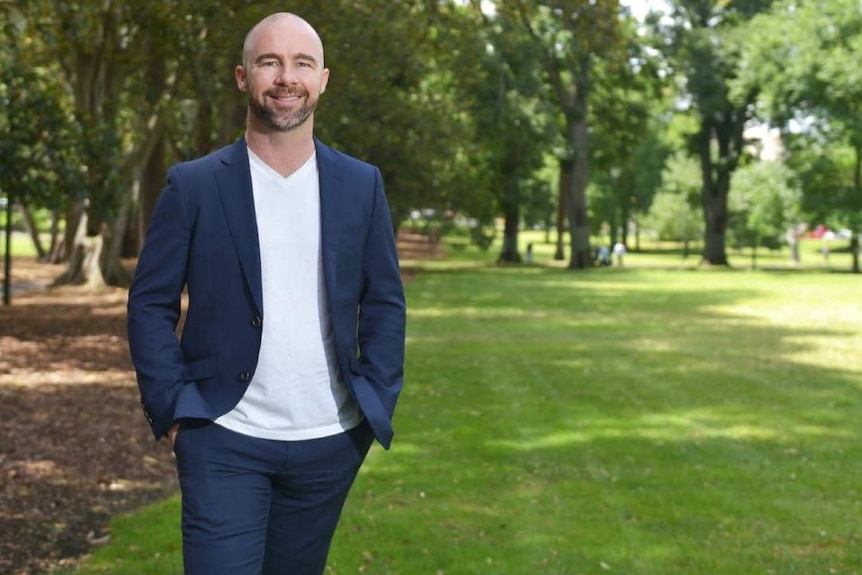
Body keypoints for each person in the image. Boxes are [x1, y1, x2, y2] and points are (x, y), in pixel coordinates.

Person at [126, 12, 406, 575]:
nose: (286, 76)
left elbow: (384, 302)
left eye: (302, 63)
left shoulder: (361, 184)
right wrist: (176, 407)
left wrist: (375, 394)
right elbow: (150, 304)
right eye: (269, 61)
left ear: (323, 79)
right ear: (242, 76)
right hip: (222, 436)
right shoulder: (195, 184)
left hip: (329, 441)